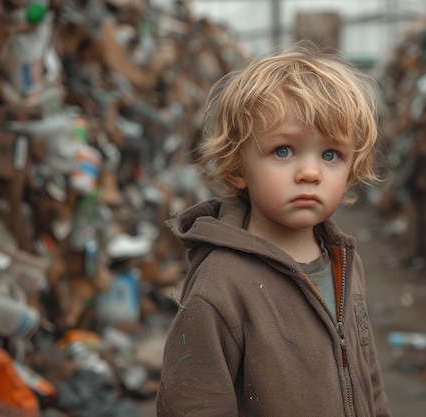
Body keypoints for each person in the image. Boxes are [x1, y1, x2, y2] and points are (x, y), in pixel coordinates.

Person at [156, 40, 391, 417]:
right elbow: (193, 404)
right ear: (236, 165)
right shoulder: (221, 285)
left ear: (351, 172)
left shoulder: (343, 263)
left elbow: (368, 379)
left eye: (331, 155)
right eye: (283, 151)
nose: (310, 173)